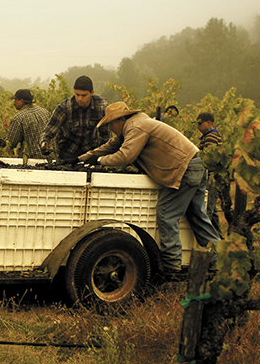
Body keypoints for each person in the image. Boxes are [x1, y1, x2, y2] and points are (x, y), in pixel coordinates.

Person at [71, 101, 222, 277]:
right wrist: (81, 158)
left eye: (111, 123)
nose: (110, 127)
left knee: (167, 213)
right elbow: (110, 146)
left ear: (121, 119)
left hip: (185, 169)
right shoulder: (134, 125)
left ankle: (172, 265)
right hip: (195, 165)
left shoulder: (136, 127)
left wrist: (99, 161)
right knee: (199, 218)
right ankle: (220, 261)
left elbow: (125, 156)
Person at [39, 75, 111, 160]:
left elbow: (105, 135)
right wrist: (44, 143)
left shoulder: (102, 107)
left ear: (92, 93)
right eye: (77, 94)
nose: (80, 98)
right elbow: (49, 130)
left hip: (90, 151)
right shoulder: (64, 108)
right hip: (67, 151)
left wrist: (100, 155)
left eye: (84, 95)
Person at [196, 112, 223, 233]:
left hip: (211, 177)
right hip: (213, 177)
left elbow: (206, 161)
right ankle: (219, 238)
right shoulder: (210, 136)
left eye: (200, 123)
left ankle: (209, 242)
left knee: (208, 210)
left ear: (209, 123)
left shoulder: (211, 137)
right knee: (213, 209)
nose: (198, 126)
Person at [5, 89, 52, 160]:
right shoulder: (45, 112)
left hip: (32, 160)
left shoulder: (19, 118)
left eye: (15, 100)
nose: (14, 102)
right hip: (52, 157)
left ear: (21, 101)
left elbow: (11, 142)